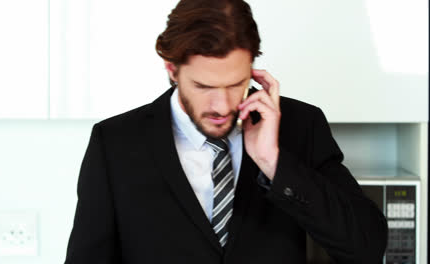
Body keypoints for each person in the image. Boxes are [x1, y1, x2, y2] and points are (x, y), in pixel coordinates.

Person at [64, 0, 387, 263]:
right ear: (172, 69)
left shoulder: (300, 125)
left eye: (235, 84)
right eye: (203, 86)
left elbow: (367, 248)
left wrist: (274, 162)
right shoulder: (116, 143)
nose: (221, 105)